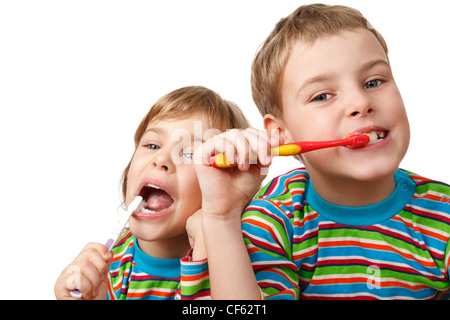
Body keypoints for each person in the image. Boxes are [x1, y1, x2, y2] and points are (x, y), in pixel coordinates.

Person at [194, 4, 450, 299]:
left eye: (373, 82)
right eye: (322, 96)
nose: (360, 102)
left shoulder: (442, 211)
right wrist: (222, 217)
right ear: (279, 134)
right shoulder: (274, 220)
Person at [54, 85, 252, 300]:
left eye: (188, 153)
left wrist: (205, 247)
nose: (161, 160)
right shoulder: (105, 274)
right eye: (152, 145)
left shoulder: (242, 264)